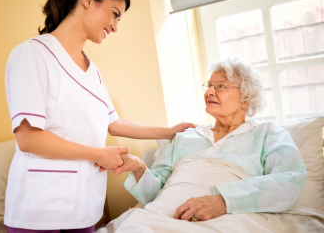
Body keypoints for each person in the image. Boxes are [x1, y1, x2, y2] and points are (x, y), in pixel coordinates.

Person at [3, 0, 194, 232]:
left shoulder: (92, 71)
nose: (115, 26)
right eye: (115, 14)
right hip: (40, 206)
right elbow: (28, 138)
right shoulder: (33, 55)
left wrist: (169, 131)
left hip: (85, 206)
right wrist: (98, 154)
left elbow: (113, 123)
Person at [113, 57, 306, 226]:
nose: (209, 92)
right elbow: (152, 196)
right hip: (161, 215)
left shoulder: (268, 134)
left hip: (228, 218)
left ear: (246, 98)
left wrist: (223, 201)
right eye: (209, 86)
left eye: (220, 86)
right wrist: (139, 168)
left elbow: (289, 182)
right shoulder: (185, 136)